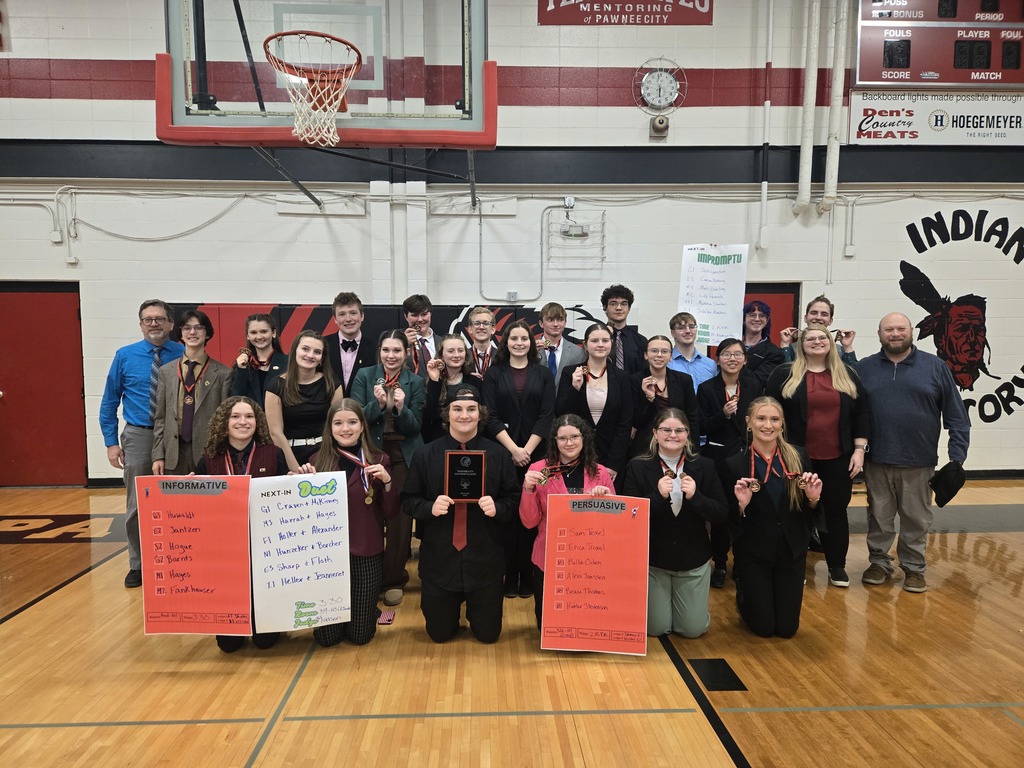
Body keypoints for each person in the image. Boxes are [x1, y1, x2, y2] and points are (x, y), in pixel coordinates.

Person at [857, 312, 970, 593]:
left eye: (900, 329)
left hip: (919, 461)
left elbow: (957, 416)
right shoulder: (864, 368)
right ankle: (879, 562)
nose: (895, 334)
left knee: (916, 519)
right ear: (879, 334)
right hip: (876, 460)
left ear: (910, 332)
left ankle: (914, 568)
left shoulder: (935, 367)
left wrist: (957, 458)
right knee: (879, 517)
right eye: (889, 329)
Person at [402, 389, 520, 643]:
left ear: (480, 414)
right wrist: (429, 508)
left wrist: (498, 508)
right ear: (447, 414)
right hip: (440, 560)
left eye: (471, 409)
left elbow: (514, 499)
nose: (464, 415)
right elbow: (409, 500)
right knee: (439, 635)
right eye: (457, 409)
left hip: (484, 559)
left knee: (489, 636)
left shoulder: (498, 456)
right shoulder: (425, 455)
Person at [765, 326, 871, 588]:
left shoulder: (846, 374)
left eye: (822, 337)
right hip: (795, 458)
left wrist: (859, 450)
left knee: (835, 511)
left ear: (830, 342)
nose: (816, 342)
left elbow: (861, 414)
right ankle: (795, 565)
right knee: (795, 512)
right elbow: (768, 411)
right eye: (810, 339)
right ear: (800, 345)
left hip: (838, 457)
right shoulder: (784, 374)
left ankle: (837, 567)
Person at [100, 299, 184, 588]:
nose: (154, 324)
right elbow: (109, 402)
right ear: (140, 324)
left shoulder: (184, 354)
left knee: (177, 500)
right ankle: (138, 564)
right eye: (148, 319)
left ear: (171, 324)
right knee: (137, 504)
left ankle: (178, 559)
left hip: (175, 436)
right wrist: (112, 442)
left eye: (159, 319)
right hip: (139, 434)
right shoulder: (125, 356)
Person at [301, 399, 399, 646]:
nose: (346, 429)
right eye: (338, 423)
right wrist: (299, 483)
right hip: (326, 556)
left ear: (362, 426)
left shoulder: (378, 459)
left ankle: (367, 612)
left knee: (359, 636)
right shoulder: (315, 461)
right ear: (330, 428)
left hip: (365, 551)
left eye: (352, 422)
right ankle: (356, 613)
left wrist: (387, 482)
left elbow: (391, 512)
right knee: (327, 638)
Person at [723, 397, 822, 638]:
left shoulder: (798, 457)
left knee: (788, 630)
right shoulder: (734, 464)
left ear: (782, 424)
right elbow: (728, 519)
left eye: (774, 419)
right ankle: (745, 593)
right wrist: (741, 506)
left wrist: (813, 499)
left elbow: (811, 511)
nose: (768, 425)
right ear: (749, 423)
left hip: (791, 550)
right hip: (754, 552)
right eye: (761, 418)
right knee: (764, 628)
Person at [623, 409, 727, 638]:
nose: (673, 435)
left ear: (688, 434)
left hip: (692, 561)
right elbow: (629, 518)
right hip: (654, 564)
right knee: (655, 629)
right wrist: (657, 497)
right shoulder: (637, 467)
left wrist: (696, 498)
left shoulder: (705, 466)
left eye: (679, 430)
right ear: (655, 433)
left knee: (693, 630)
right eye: (666, 430)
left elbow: (722, 513)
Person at [195, 396, 287, 653]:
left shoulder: (273, 454)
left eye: (249, 417)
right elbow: (197, 508)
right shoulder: (209, 459)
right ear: (224, 423)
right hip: (225, 550)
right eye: (235, 416)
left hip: (263, 545)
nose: (243, 422)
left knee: (264, 641)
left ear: (258, 422)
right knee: (228, 645)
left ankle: (266, 619)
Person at [350, 330, 426, 606]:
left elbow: (416, 426)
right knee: (369, 516)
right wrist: (379, 404)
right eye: (386, 350)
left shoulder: (415, 381)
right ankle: (367, 576)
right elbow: (355, 417)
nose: (391, 356)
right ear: (379, 352)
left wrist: (400, 409)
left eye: (397, 350)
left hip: (403, 457)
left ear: (406, 353)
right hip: (371, 454)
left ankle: (394, 579)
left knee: (399, 521)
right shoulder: (365, 376)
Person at [481, 319, 556, 599]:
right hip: (503, 453)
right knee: (508, 517)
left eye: (524, 338)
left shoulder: (543, 374)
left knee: (533, 516)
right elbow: (489, 415)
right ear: (506, 342)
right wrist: (513, 449)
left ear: (531, 342)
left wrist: (527, 449)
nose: (520, 343)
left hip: (537, 455)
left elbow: (547, 415)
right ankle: (509, 575)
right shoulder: (494, 373)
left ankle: (528, 574)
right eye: (514, 338)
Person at [520, 415, 613, 630]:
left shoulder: (600, 473)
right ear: (554, 441)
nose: (569, 443)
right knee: (548, 626)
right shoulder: (538, 470)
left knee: (586, 622)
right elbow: (528, 522)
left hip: (589, 557)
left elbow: (611, 526)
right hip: (549, 554)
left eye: (574, 437)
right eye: (562, 438)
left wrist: (606, 500)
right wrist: (528, 489)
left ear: (584, 438)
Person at [696, 338, 764, 587]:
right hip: (719, 459)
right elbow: (701, 424)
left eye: (737, 354)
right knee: (722, 514)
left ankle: (743, 562)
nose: (732, 359)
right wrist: (722, 415)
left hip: (748, 457)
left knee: (746, 512)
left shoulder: (754, 384)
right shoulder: (706, 388)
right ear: (718, 359)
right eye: (726, 354)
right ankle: (721, 564)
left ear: (745, 359)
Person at [152, 310, 232, 476]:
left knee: (209, 501)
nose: (192, 332)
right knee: (175, 501)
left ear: (208, 333)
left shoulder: (223, 374)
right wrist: (158, 455)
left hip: (209, 451)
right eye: (187, 328)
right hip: (174, 452)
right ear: (180, 333)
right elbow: (160, 417)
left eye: (198, 327)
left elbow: (225, 420)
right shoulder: (166, 372)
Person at [555, 322, 634, 487]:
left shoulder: (622, 377)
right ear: (585, 344)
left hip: (611, 454)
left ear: (611, 344)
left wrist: (614, 464)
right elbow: (561, 414)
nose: (600, 345)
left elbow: (624, 423)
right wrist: (574, 389)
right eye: (595, 340)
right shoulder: (571, 372)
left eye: (605, 340)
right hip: (576, 454)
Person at [265, 330, 340, 473]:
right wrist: (297, 470)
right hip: (290, 457)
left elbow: (337, 425)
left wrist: (324, 463)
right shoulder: (275, 387)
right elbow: (275, 433)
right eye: (305, 349)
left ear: (322, 358)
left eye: (317, 352)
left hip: (326, 456)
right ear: (294, 351)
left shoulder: (332, 384)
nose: (310, 355)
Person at [629, 334, 698, 459]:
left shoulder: (684, 380)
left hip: (678, 443)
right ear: (646, 355)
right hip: (645, 446)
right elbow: (636, 421)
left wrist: (693, 449)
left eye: (664, 351)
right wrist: (649, 398)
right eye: (654, 351)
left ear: (671, 356)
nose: (659, 355)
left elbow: (692, 417)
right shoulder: (635, 380)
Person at [422, 333, 482, 443]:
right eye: (450, 351)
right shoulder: (430, 382)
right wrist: (434, 381)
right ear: (441, 355)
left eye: (460, 350)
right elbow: (429, 416)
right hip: (438, 442)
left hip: (470, 442)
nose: (456, 355)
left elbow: (482, 417)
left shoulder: (475, 382)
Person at [778, 295, 857, 365]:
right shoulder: (792, 349)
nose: (818, 317)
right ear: (805, 318)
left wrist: (848, 347)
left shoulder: (839, 350)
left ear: (830, 321)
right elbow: (784, 375)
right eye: (814, 313)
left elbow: (854, 376)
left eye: (824, 314)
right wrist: (785, 344)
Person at [229, 313, 287, 405]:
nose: (259, 337)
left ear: (274, 333)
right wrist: (241, 370)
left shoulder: (287, 363)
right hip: (251, 418)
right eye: (253, 332)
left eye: (264, 331)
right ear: (247, 336)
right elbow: (235, 400)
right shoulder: (242, 365)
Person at [323, 292, 374, 397]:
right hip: (328, 411)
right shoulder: (322, 346)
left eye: (353, 313)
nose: (348, 319)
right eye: (342, 314)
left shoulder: (376, 349)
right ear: (335, 319)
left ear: (362, 316)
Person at [535, 301, 586, 393]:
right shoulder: (530, 350)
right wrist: (532, 355)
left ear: (565, 322)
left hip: (566, 405)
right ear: (541, 323)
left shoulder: (578, 352)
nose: (556, 324)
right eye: (550, 320)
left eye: (560, 320)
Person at [601, 284, 648, 376]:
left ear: (629, 308)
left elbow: (644, 371)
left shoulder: (641, 341)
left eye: (624, 304)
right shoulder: (597, 338)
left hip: (632, 388)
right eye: (613, 304)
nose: (619, 308)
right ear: (605, 308)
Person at [666, 312, 717, 390]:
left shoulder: (710, 364)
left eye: (692, 327)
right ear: (673, 333)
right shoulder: (666, 364)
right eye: (681, 328)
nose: (688, 331)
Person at [741, 300, 784, 386]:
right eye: (752, 315)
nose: (757, 319)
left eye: (762, 316)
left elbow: (758, 381)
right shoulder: (731, 347)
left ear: (767, 320)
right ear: (743, 320)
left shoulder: (774, 353)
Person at [402, 294, 443, 378]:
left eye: (424, 314)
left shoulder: (443, 342)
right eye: (414, 315)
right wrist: (403, 343)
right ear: (406, 316)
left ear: (430, 314)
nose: (420, 319)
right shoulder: (396, 340)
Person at [465, 306, 498, 379]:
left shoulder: (502, 356)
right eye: (477, 323)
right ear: (470, 329)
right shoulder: (463, 357)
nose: (481, 327)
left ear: (493, 329)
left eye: (486, 323)